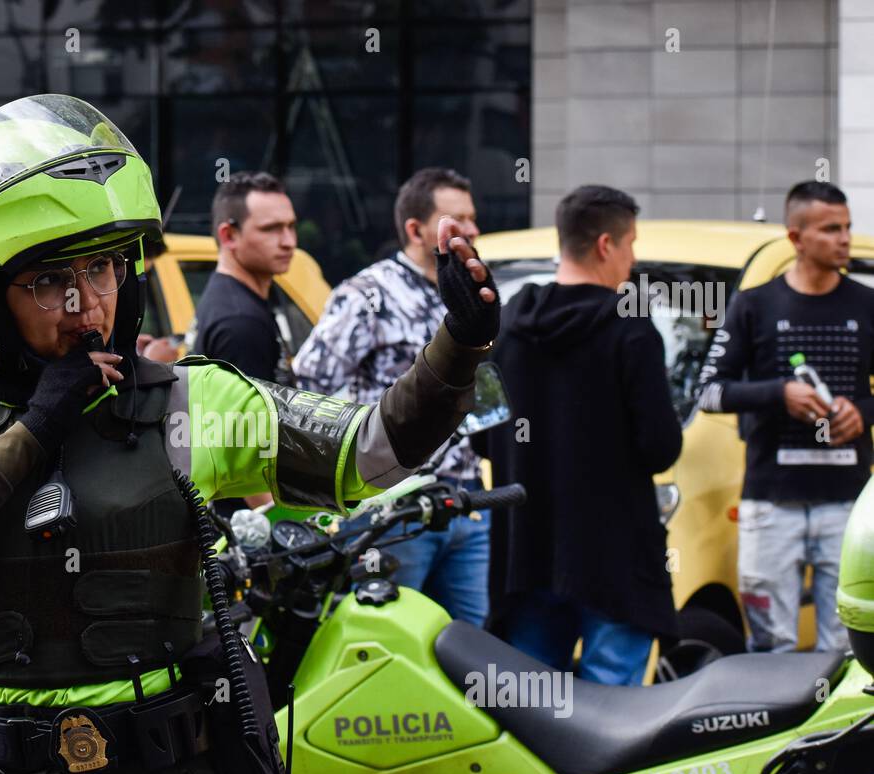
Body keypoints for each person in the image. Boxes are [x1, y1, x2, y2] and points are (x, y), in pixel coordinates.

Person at [0, 94, 501, 774]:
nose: (86, 305)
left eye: (100, 269)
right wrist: (34, 434)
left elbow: (369, 453)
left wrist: (455, 350)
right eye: (49, 281)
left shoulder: (190, 399)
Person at [474, 185, 682, 686]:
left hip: (526, 553)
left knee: (536, 718)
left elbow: (483, 437)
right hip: (615, 559)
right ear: (607, 244)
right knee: (612, 723)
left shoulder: (506, 328)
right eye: (631, 244)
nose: (633, 259)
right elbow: (660, 447)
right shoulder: (631, 332)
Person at [293, 167, 490, 625]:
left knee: (472, 646)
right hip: (395, 510)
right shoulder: (366, 294)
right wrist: (353, 470)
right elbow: (310, 380)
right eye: (457, 220)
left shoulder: (468, 290)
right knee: (392, 637)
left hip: (465, 499)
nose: (474, 230)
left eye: (473, 218)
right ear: (415, 229)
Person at [697, 181, 874, 653]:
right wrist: (780, 393)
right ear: (795, 238)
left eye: (847, 227)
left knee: (849, 649)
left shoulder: (866, 304)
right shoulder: (754, 305)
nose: (844, 239)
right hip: (771, 503)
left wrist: (863, 412)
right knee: (770, 648)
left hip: (849, 506)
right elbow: (710, 393)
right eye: (830, 229)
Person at [193, 171, 300, 513]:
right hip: (243, 528)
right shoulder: (240, 321)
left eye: (291, 226)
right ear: (229, 235)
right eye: (271, 229)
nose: (288, 241)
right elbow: (243, 445)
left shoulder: (235, 300)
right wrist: (282, 525)